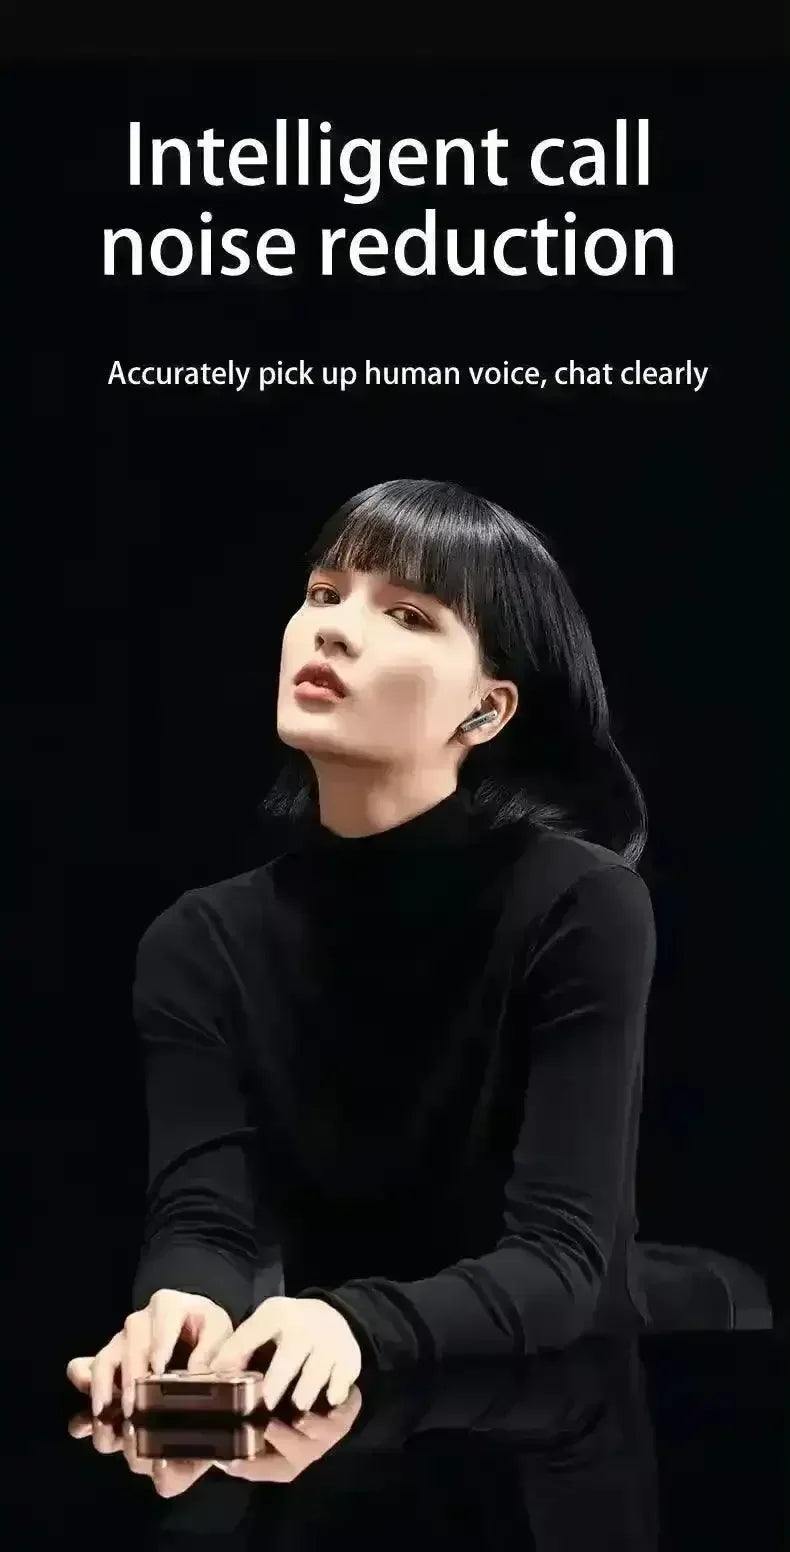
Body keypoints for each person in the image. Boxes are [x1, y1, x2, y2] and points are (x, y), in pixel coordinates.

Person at [64, 478, 767, 1425]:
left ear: (485, 711)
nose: (333, 630)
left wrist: (353, 1322)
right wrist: (181, 1304)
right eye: (323, 593)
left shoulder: (580, 904)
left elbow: (563, 1258)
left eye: (406, 614)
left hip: (561, 1417)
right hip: (342, 1398)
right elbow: (204, 1216)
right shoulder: (199, 940)